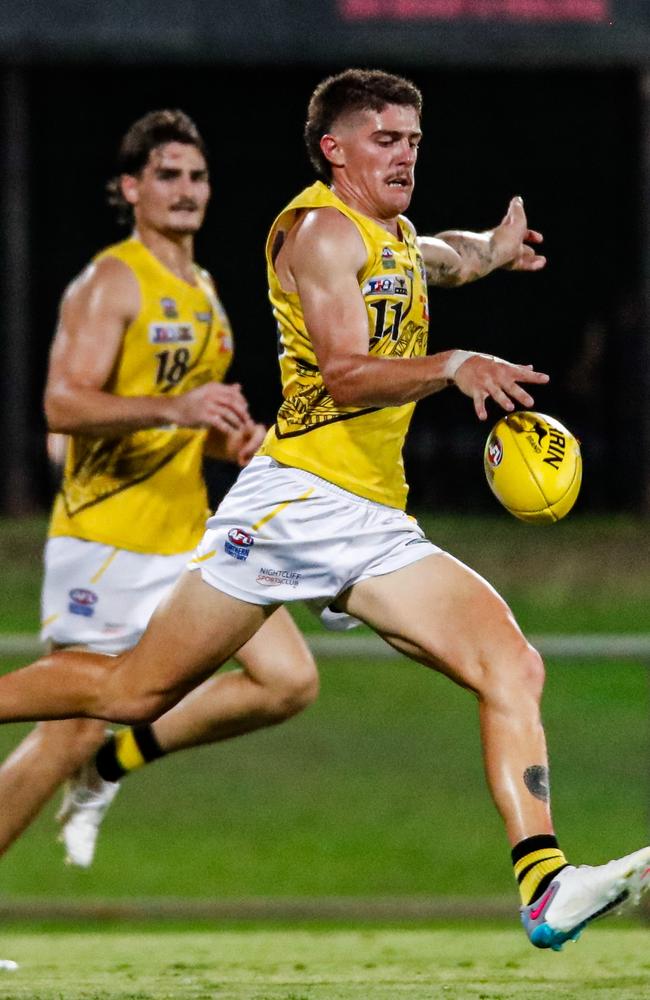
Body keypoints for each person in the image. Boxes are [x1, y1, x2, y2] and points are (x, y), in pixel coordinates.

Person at [0, 71, 647, 951]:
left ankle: (546, 885)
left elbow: (439, 257)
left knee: (512, 664)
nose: (406, 153)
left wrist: (493, 249)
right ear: (334, 150)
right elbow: (344, 371)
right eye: (385, 139)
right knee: (132, 689)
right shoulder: (316, 233)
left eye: (415, 140)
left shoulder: (391, 237)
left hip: (372, 520)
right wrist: (454, 362)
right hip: (296, 502)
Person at [0, 109, 319, 869]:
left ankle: (115, 763)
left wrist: (226, 437)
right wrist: (176, 407)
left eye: (197, 176)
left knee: (287, 680)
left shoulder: (202, 290)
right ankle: (94, 757)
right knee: (72, 726)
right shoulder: (112, 279)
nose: (185, 189)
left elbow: (184, 416)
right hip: (110, 537)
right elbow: (62, 404)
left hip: (188, 536)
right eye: (167, 176)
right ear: (130, 189)